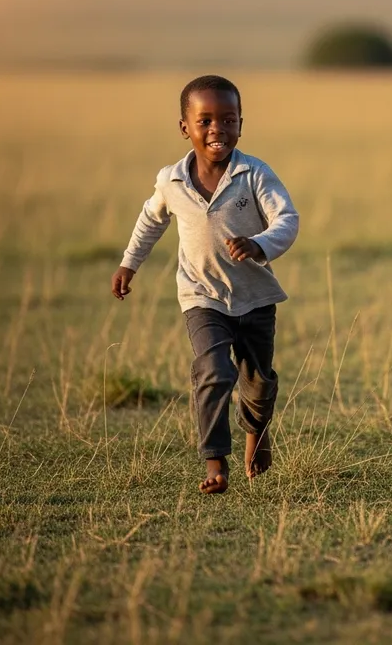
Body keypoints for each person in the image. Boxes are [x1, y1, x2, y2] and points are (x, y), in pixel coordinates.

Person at [110, 75, 299, 494]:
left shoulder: (254, 174)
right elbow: (150, 221)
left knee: (258, 379)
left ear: (240, 124)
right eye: (206, 120)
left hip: (255, 296)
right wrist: (129, 264)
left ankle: (258, 435)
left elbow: (288, 219)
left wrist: (258, 244)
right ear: (185, 127)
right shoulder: (171, 180)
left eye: (228, 120)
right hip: (202, 297)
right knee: (213, 372)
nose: (218, 130)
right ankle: (216, 463)